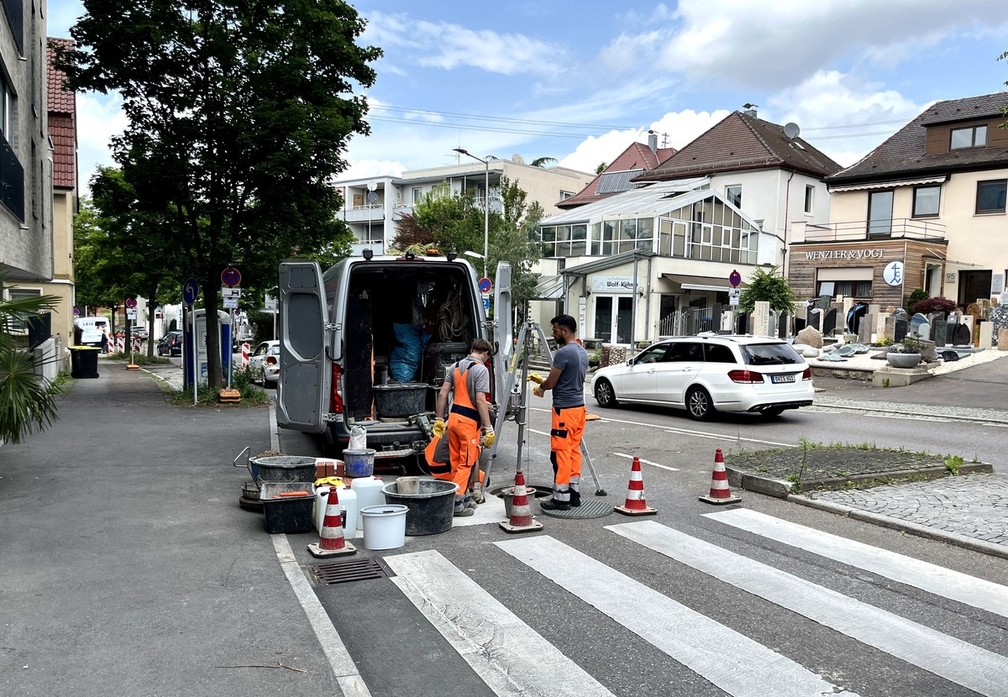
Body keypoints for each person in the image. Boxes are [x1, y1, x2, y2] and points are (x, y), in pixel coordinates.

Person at [532, 314, 588, 511]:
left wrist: (542, 386)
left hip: (563, 410)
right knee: (573, 451)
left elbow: (552, 381)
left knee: (561, 453)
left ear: (565, 331)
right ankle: (574, 493)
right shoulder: (582, 351)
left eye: (555, 330)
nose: (553, 334)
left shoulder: (563, 353)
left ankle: (561, 498)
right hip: (579, 409)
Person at [434, 338, 495, 517]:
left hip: (453, 419)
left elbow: (443, 393)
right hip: (468, 423)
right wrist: (488, 428)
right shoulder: (481, 369)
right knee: (466, 462)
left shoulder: (455, 367)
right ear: (485, 353)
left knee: (455, 460)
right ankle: (457, 503)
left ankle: (464, 496)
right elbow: (480, 400)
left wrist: (439, 418)